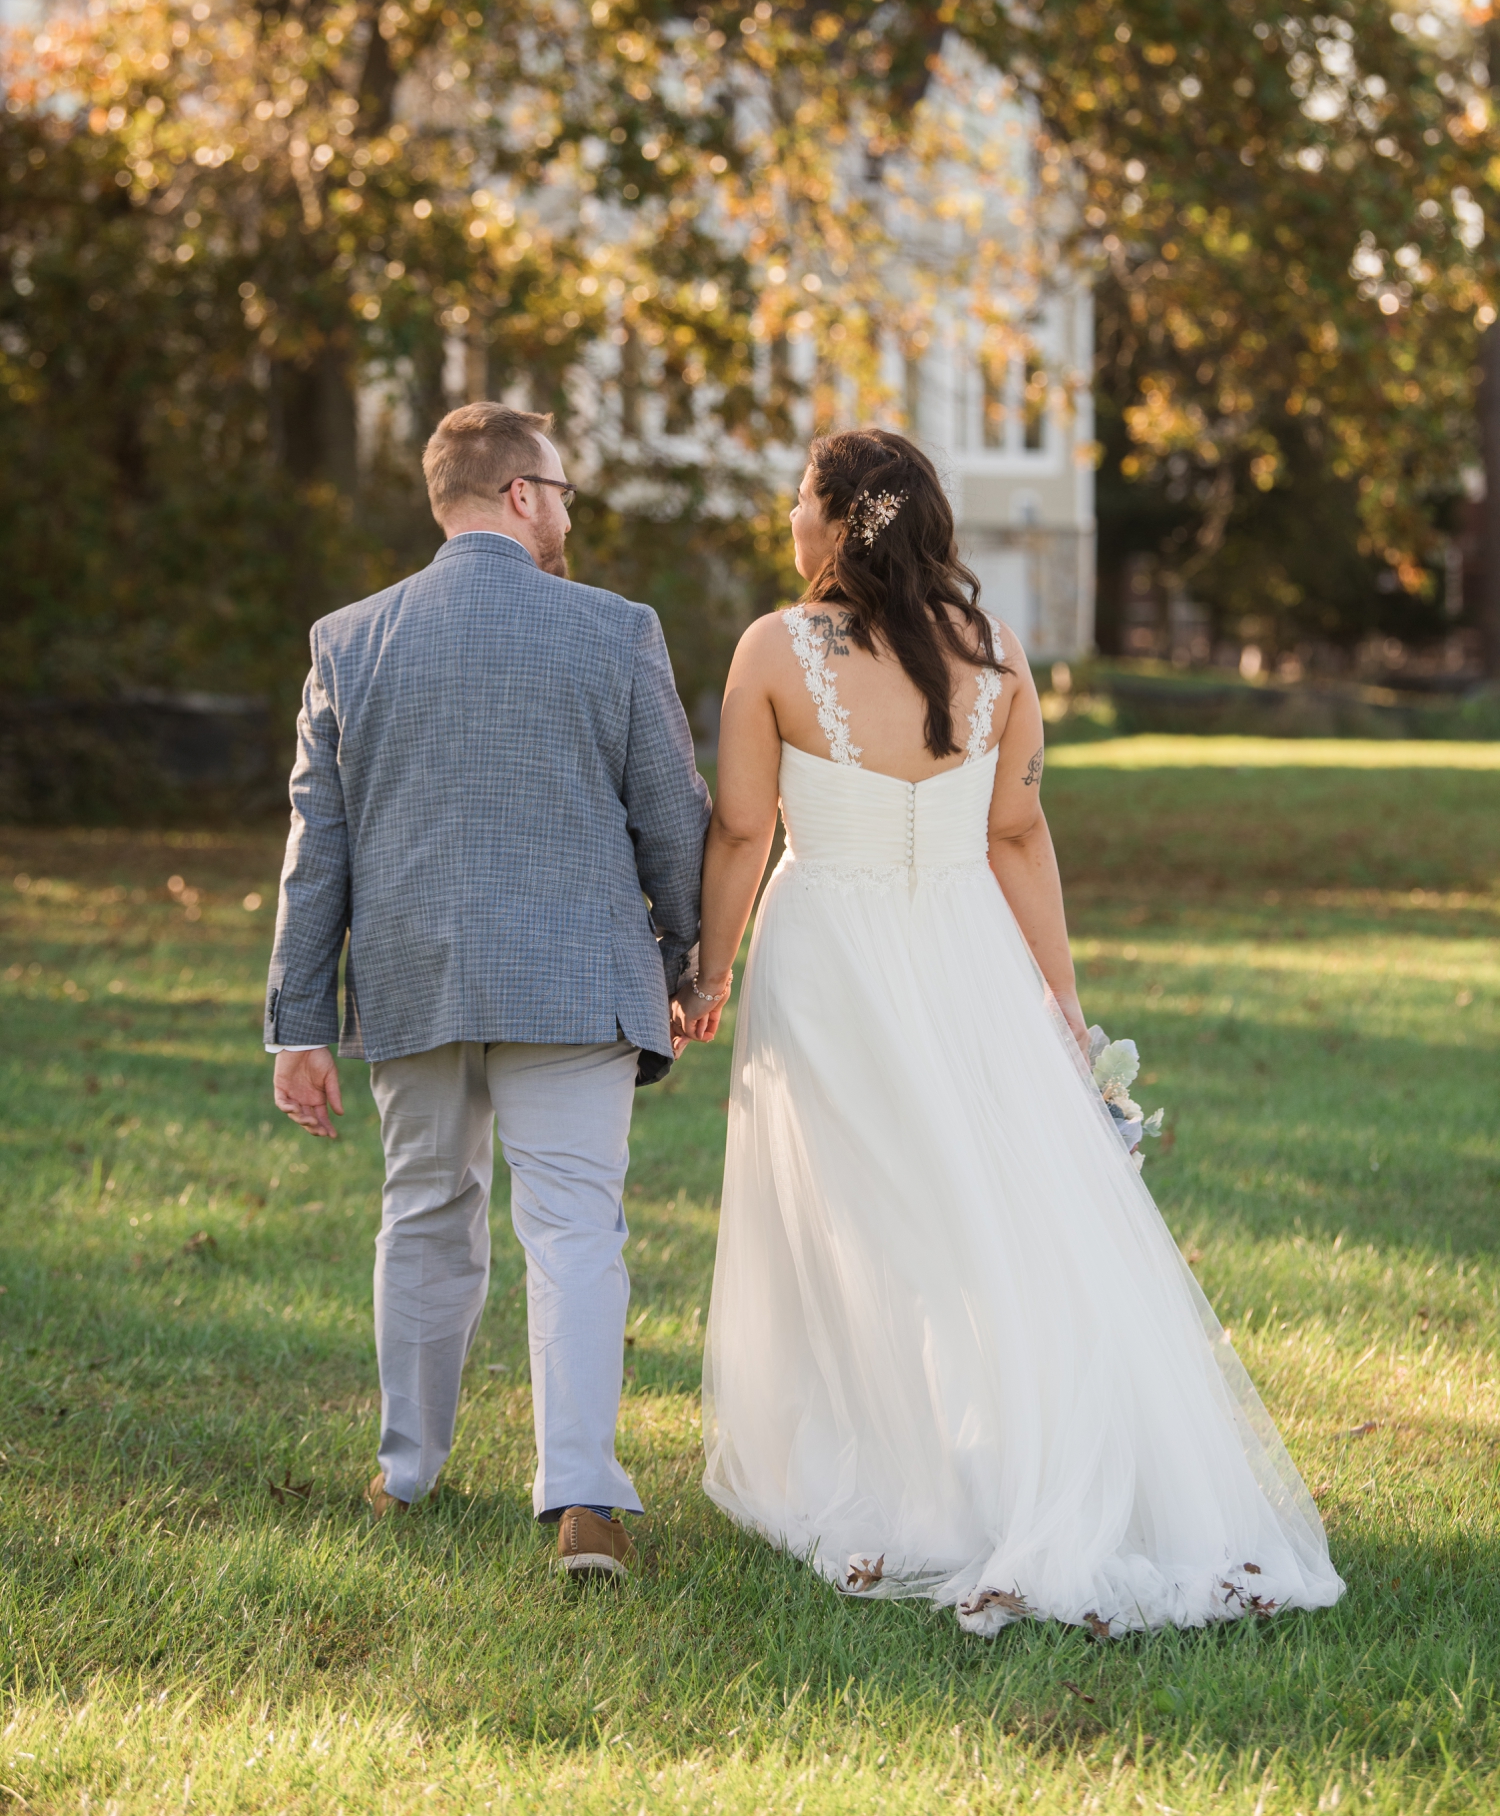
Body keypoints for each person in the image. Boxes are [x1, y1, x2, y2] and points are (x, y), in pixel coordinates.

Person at [680, 428, 1343, 1636]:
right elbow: (1019, 838)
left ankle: (916, 1477)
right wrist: (1061, 999)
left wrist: (708, 969)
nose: (790, 515)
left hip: (830, 950)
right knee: (978, 1206)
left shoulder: (777, 649)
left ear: (837, 522)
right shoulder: (996, 653)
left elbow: (738, 831)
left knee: (862, 1211)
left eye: (799, 497)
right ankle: (1001, 1451)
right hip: (967, 952)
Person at [266, 402, 709, 1582]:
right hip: (575, 977)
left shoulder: (349, 639)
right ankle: (581, 1502)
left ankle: (406, 1474)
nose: (568, 512)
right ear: (521, 493)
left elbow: (319, 850)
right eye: (562, 489)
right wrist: (685, 966)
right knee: (573, 1226)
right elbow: (674, 823)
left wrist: (300, 1025)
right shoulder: (617, 632)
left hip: (414, 974)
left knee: (423, 1213)